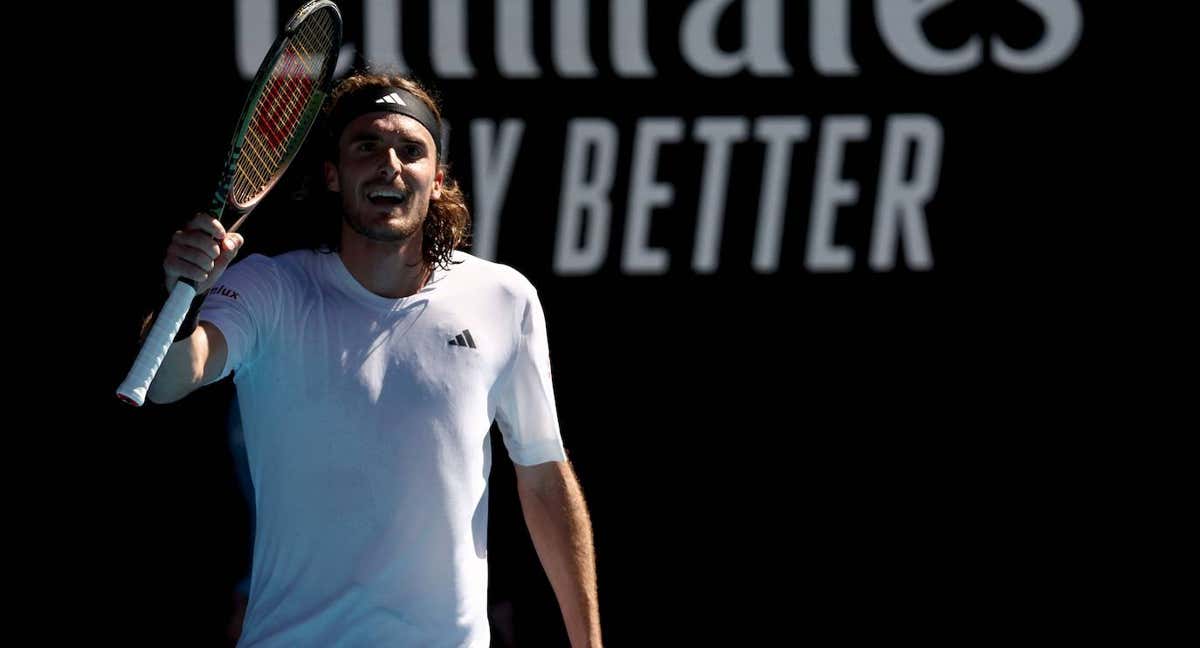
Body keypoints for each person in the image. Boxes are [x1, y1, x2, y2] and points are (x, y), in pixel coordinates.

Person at [145, 72, 602, 647]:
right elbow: (167, 382)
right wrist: (180, 297)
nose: (390, 164)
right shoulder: (270, 287)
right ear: (334, 175)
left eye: (411, 150)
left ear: (437, 180)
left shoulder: (505, 298)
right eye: (367, 146)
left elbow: (541, 476)